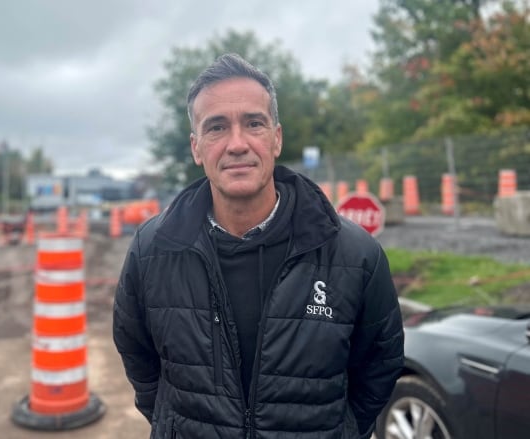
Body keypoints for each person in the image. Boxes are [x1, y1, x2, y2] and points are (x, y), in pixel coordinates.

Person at [113, 53, 404, 438]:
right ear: (197, 147)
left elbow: (379, 366)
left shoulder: (355, 254)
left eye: (253, 123)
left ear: (276, 138)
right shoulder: (152, 249)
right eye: (216, 127)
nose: (237, 144)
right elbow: (138, 356)